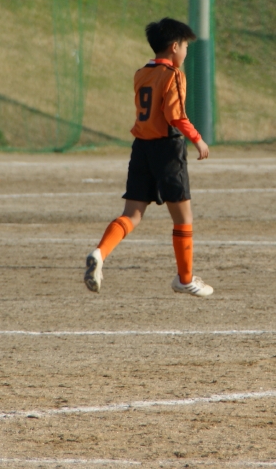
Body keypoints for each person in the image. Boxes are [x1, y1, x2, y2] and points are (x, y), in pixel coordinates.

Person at [84, 17, 213, 297]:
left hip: (141, 147)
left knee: (131, 214)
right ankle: (185, 279)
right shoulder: (173, 75)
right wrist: (198, 139)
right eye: (185, 47)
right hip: (167, 150)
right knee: (183, 217)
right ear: (174, 46)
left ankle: (100, 253)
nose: (186, 52)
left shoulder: (141, 73)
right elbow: (175, 115)